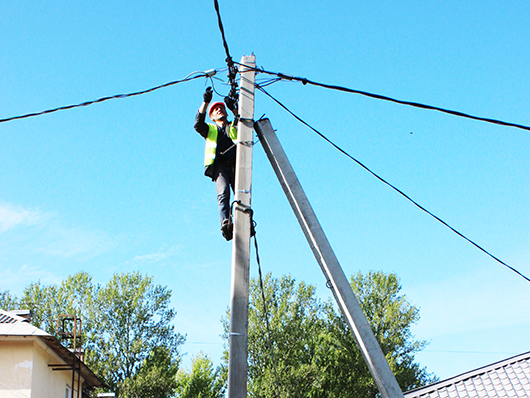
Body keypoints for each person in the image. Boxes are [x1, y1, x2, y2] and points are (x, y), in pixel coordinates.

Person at [194, 87, 238, 241]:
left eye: (221, 108)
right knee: (224, 192)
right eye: (216, 110)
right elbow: (198, 124)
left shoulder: (234, 126)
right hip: (220, 166)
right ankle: (226, 222)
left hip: (237, 164)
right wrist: (205, 103)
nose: (219, 110)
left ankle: (244, 222)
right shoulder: (211, 129)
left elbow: (244, 120)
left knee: (241, 194)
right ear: (212, 117)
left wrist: (233, 108)